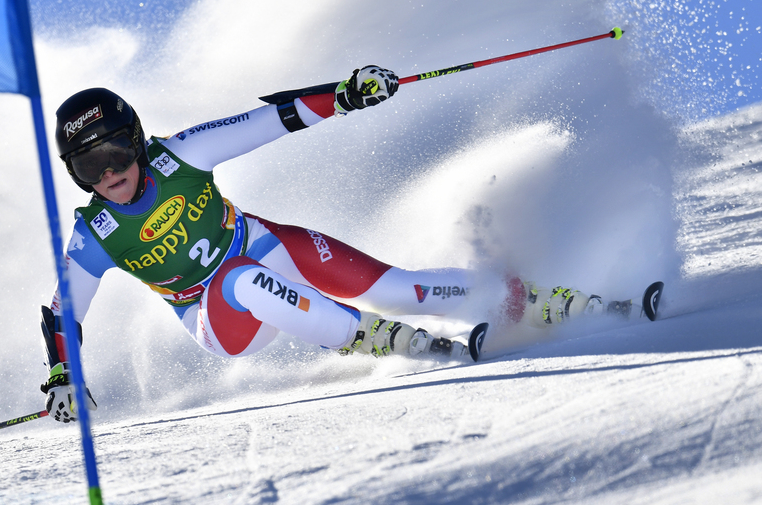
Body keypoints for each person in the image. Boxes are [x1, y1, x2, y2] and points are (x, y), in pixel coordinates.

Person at [39, 66, 603, 422]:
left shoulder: (180, 155)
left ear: (136, 141)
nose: (109, 174)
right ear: (77, 174)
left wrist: (346, 95)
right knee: (237, 280)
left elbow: (265, 122)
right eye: (90, 165)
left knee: (397, 285)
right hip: (218, 319)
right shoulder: (95, 235)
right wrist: (64, 374)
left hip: (265, 247)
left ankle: (522, 300)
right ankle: (373, 337)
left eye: (115, 153)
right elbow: (67, 312)